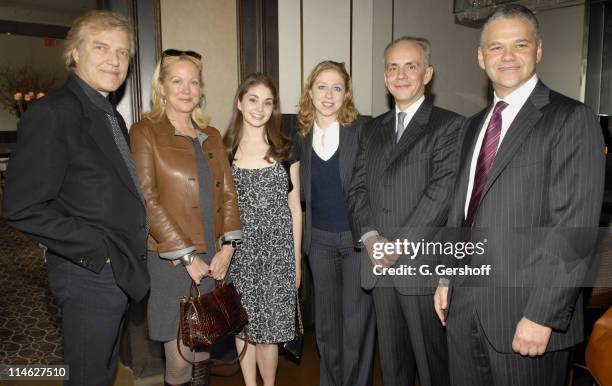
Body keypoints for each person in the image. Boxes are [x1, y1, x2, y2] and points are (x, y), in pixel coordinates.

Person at [433, 4, 605, 386]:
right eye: (496, 47)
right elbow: (460, 211)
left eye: (519, 45)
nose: (507, 56)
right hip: (464, 311)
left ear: (538, 51)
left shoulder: (571, 119)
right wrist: (446, 277)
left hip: (525, 319)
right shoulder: (471, 126)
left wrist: (543, 314)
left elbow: (574, 229)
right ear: (481, 57)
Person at [2, 10, 148, 386]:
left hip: (115, 272)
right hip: (89, 273)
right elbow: (21, 207)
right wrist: (99, 251)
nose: (114, 60)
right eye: (101, 47)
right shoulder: (53, 112)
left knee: (101, 372)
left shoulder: (109, 116)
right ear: (75, 54)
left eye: (123, 52)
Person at [347, 37, 464, 386]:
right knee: (394, 368)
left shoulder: (450, 125)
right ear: (384, 77)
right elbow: (357, 188)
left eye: (411, 66)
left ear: (427, 74)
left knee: (433, 369)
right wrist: (370, 238)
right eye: (393, 67)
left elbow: (440, 195)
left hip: (422, 268)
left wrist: (397, 245)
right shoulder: (372, 128)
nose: (401, 75)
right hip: (379, 266)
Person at [130, 49, 242, 386]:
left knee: (202, 346)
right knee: (178, 358)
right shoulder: (145, 132)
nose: (186, 89)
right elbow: (146, 199)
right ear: (161, 87)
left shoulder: (212, 135)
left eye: (193, 82)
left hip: (213, 256)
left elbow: (228, 194)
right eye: (177, 81)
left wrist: (228, 249)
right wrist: (186, 255)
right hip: (170, 260)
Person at [295, 60, 375, 386]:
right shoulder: (298, 135)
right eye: (322, 87)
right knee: (327, 326)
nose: (329, 95)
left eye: (337, 87)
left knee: (357, 324)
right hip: (318, 241)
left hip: (356, 241)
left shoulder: (362, 131)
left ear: (346, 94)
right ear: (310, 92)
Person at [224, 73, 301, 386]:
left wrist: (296, 260)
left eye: (268, 102)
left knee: (270, 331)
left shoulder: (286, 149)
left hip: (278, 257)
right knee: (244, 327)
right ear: (240, 102)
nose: (260, 108)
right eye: (253, 99)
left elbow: (296, 209)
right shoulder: (223, 151)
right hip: (240, 255)